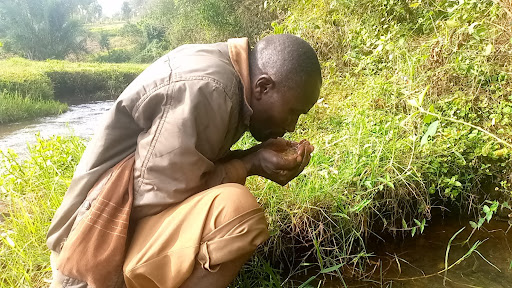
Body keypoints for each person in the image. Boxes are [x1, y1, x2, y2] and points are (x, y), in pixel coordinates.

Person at [48, 34, 322, 288]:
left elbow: (182, 171)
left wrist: (251, 157)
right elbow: (157, 199)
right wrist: (249, 165)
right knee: (237, 214)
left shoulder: (224, 75)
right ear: (262, 86)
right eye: (292, 112)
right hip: (90, 254)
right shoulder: (211, 89)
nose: (292, 126)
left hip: (106, 234)